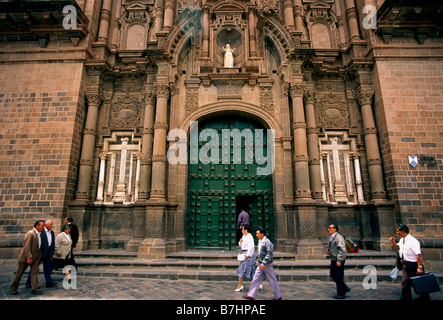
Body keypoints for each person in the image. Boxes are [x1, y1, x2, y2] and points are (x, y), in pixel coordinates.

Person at [389, 223, 429, 300]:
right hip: (406, 265)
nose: (397, 233)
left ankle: (424, 297)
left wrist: (419, 267)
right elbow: (398, 247)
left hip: (414, 265)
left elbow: (418, 255)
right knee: (405, 283)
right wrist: (393, 242)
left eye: (398, 231)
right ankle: (406, 298)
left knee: (420, 283)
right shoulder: (402, 240)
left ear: (403, 231)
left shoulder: (413, 241)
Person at [244, 227, 282, 300]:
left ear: (262, 234)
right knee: (255, 279)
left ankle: (278, 296)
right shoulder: (259, 242)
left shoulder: (267, 242)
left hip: (266, 265)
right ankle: (251, 295)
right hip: (260, 264)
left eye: (258, 234)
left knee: (272, 280)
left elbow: (269, 254)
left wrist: (264, 263)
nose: (256, 235)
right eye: (256, 234)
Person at [10, 220, 45, 295]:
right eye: (42, 225)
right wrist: (29, 257)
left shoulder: (39, 234)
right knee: (20, 273)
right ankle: (13, 288)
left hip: (36, 257)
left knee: (35, 272)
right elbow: (27, 246)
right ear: (37, 225)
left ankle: (35, 287)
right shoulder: (30, 234)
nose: (43, 227)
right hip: (26, 257)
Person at [27, 219, 56, 288]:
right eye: (50, 224)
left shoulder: (52, 232)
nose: (52, 226)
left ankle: (48, 282)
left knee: (48, 267)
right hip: (41, 253)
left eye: (52, 224)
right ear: (46, 225)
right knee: (34, 268)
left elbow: (52, 243)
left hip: (48, 253)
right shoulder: (41, 232)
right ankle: (29, 282)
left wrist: (52, 251)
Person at [326, 224, 350, 299]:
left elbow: (343, 250)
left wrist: (339, 260)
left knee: (339, 277)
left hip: (338, 260)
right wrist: (329, 251)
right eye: (328, 228)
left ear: (335, 229)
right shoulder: (332, 237)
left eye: (330, 228)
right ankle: (344, 287)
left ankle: (341, 294)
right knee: (332, 274)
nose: (328, 229)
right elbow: (334, 247)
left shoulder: (339, 238)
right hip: (334, 259)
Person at [235, 225, 256, 292]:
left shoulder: (249, 236)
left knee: (248, 269)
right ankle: (240, 285)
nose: (241, 230)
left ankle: (240, 285)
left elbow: (251, 246)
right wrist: (240, 241)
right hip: (245, 253)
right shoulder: (244, 236)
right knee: (248, 269)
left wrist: (247, 255)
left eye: (243, 229)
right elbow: (241, 246)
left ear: (246, 230)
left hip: (248, 255)